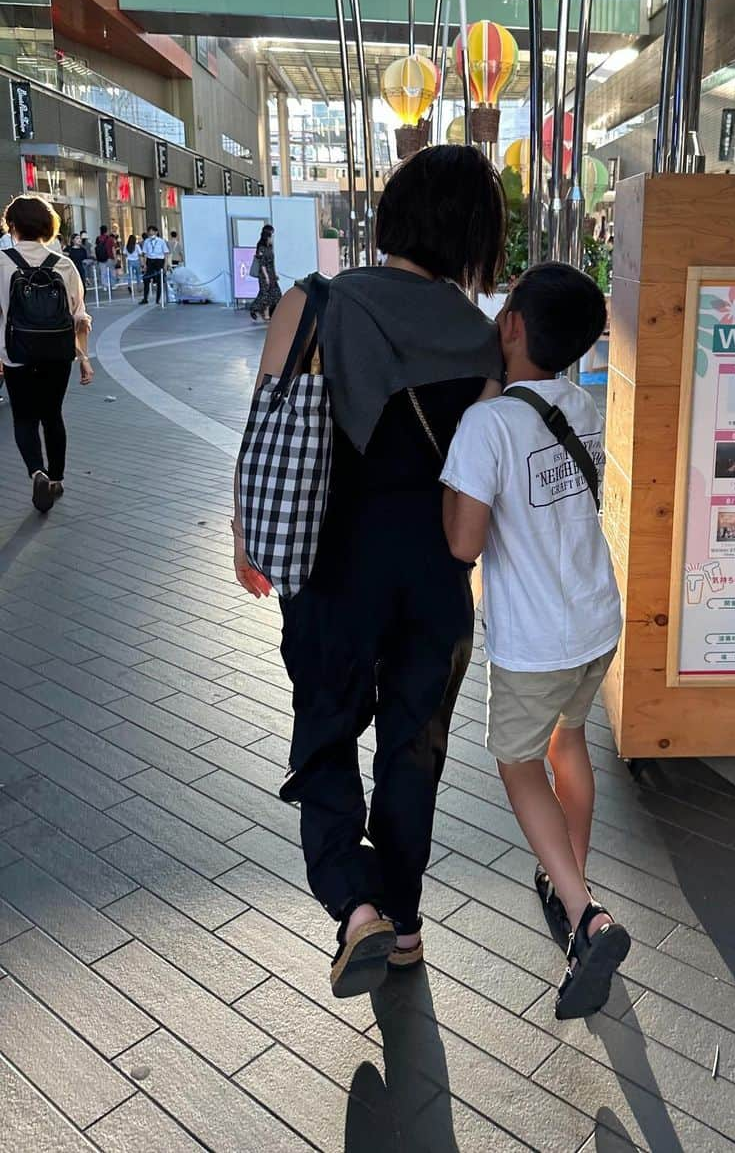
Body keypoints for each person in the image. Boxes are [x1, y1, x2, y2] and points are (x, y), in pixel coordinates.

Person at [232, 145, 505, 999]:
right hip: (433, 577)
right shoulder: (487, 340)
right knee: (412, 751)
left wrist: (249, 540)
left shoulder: (311, 304)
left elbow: (266, 443)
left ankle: (355, 911)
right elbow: (481, 488)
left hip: (329, 569)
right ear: (473, 235)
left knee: (325, 730)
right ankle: (407, 920)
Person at [442, 262, 628, 1021]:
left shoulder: (487, 425)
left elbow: (462, 543)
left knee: (518, 765)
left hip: (537, 640)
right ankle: (567, 879)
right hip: (595, 622)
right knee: (570, 744)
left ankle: (588, 919)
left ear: (511, 325)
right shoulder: (581, 404)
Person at [0, 194, 93, 512]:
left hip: (15, 354)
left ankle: (36, 472)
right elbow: (80, 317)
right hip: (58, 353)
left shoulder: (0, 262)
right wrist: (84, 358)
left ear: (12, 226)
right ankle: (55, 479)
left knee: (24, 417)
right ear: (48, 226)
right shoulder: (64, 264)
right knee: (52, 415)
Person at [250, 224, 281, 321]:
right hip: (264, 275)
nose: (273, 235)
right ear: (268, 234)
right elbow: (262, 264)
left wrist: (274, 274)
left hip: (271, 273)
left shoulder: (270, 246)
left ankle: (268, 314)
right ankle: (254, 309)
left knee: (276, 293)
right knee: (264, 294)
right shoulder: (261, 247)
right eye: (272, 233)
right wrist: (267, 277)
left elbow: (272, 262)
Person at [140, 225, 168, 304]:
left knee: (159, 281)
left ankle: (158, 299)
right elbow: (144, 253)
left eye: (153, 231)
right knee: (146, 279)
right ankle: (145, 298)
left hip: (159, 261)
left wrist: (165, 264)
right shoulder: (146, 241)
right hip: (150, 261)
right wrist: (144, 264)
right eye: (150, 232)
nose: (151, 233)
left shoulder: (161, 241)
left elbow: (166, 253)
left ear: (156, 232)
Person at [94, 224, 116, 289]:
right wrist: (115, 258)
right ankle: (113, 285)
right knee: (112, 271)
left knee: (103, 272)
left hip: (101, 258)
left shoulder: (98, 238)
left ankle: (105, 286)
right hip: (110, 257)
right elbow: (113, 249)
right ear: (107, 231)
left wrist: (97, 257)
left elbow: (96, 248)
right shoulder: (110, 239)